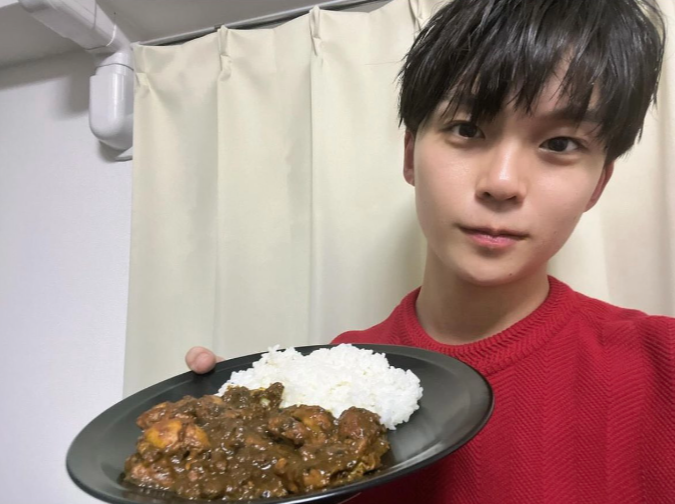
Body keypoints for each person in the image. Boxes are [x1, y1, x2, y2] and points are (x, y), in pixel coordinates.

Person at [186, 0, 674, 501]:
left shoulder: (663, 363)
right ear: (410, 155)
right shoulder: (340, 373)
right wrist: (237, 452)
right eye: (467, 129)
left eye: (561, 144)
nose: (502, 182)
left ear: (598, 184)